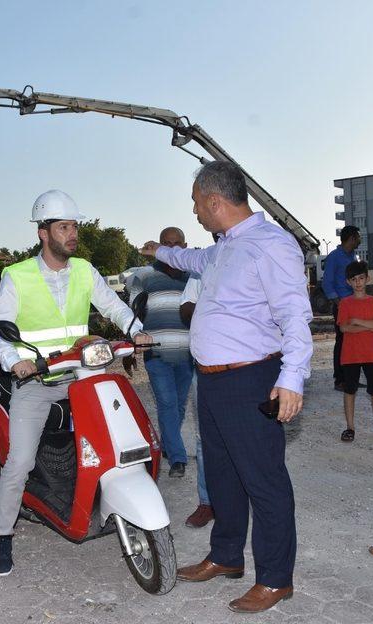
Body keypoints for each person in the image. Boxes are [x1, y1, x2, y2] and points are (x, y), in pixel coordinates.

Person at [141, 160, 313, 613]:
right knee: (222, 474)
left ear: (214, 201)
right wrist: (158, 250)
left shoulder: (271, 245)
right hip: (213, 382)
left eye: (197, 204)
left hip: (251, 378)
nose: (196, 212)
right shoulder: (221, 249)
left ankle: (276, 579)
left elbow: (296, 315)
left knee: (264, 480)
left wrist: (292, 378)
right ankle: (226, 556)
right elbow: (188, 258)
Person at [0, 189, 152, 576]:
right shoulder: (17, 275)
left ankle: (108, 497)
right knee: (20, 460)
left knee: (118, 436)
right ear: (44, 233)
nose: (72, 233)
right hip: (38, 380)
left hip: (84, 373)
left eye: (74, 226)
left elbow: (113, 306)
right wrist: (16, 361)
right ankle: (1, 536)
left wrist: (136, 330)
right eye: (64, 227)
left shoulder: (84, 270)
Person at [127, 227, 194, 478]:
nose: (171, 248)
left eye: (177, 244)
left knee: (178, 407)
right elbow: (132, 313)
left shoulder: (195, 275)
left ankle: (167, 445)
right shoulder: (142, 275)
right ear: (158, 246)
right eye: (166, 243)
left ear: (185, 246)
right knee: (167, 403)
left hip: (188, 353)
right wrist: (133, 340)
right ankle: (178, 458)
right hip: (156, 353)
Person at [337, 261, 373, 443]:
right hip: (351, 354)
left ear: (367, 279)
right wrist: (370, 327)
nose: (358, 282)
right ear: (348, 282)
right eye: (354, 279)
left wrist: (356, 321)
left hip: (372, 354)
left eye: (361, 278)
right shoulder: (344, 303)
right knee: (350, 390)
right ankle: (350, 427)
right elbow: (344, 329)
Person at [179, 271, 214, 528]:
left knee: (245, 436)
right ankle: (207, 502)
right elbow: (186, 307)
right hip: (205, 366)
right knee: (205, 436)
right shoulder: (203, 266)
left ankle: (243, 499)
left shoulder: (255, 255)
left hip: (247, 365)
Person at [322, 225, 361, 391]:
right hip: (343, 306)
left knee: (355, 342)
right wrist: (340, 304)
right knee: (342, 342)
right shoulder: (334, 257)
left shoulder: (354, 257)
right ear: (352, 238)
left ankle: (352, 379)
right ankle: (340, 380)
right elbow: (327, 283)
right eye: (358, 237)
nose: (360, 240)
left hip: (356, 304)